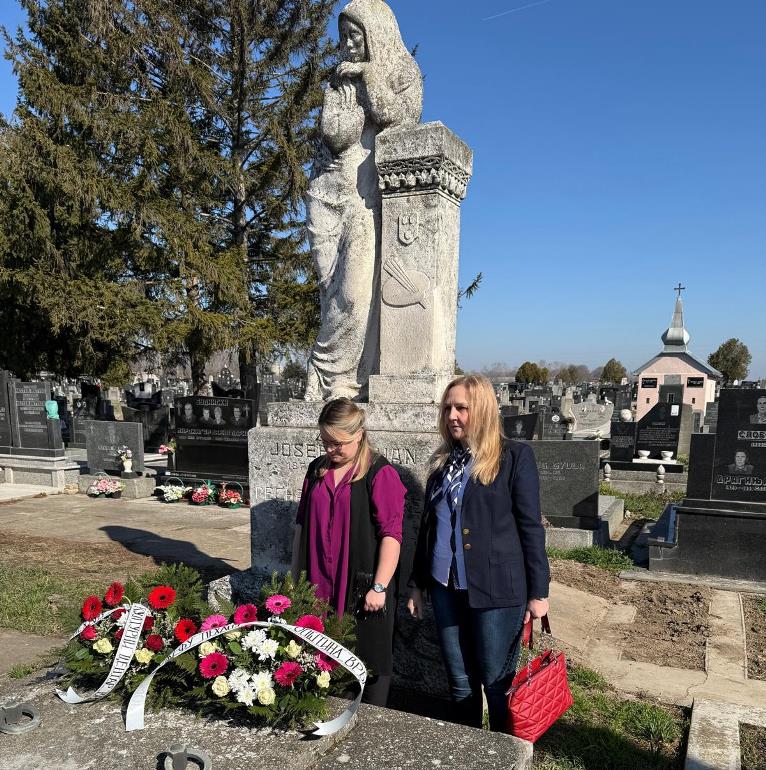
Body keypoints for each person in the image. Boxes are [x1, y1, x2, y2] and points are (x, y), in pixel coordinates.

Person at [407, 375, 550, 732]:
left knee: (496, 682)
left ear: (482, 410)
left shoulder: (514, 457)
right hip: (445, 587)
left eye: (461, 408)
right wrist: (417, 584)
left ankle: (503, 750)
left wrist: (539, 592)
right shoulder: (443, 462)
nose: (452, 415)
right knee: (459, 681)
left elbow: (531, 527)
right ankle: (468, 748)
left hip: (497, 590)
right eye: (447, 408)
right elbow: (429, 528)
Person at [304, 0, 422, 401]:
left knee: (355, 293)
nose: (349, 45)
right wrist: (352, 94)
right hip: (327, 195)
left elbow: (402, 118)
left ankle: (334, 373)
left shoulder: (401, 72)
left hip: (366, 200)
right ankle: (332, 382)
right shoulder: (338, 83)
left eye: (355, 36)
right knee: (331, 292)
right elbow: (334, 134)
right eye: (344, 37)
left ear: (375, 34)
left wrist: (368, 77)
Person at [292, 397, 407, 706]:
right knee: (324, 663)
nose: (331, 449)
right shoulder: (316, 470)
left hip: (362, 587)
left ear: (359, 434)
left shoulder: (380, 473)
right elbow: (301, 527)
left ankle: (370, 723)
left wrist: (379, 587)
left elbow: (392, 535)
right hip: (319, 584)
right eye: (325, 442)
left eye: (338, 443)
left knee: (369, 662)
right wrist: (295, 580)